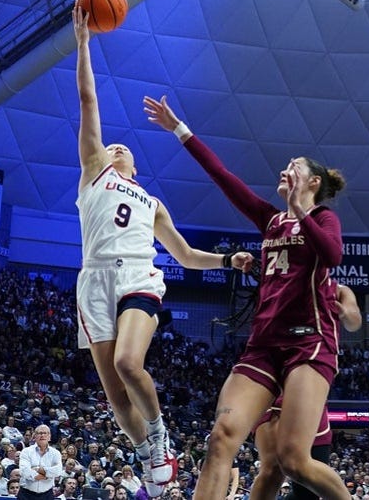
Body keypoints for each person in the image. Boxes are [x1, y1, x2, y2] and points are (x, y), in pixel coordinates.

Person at [72, 9, 254, 498]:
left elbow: (186, 255)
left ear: (134, 165)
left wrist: (226, 261)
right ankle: (148, 455)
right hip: (93, 280)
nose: (115, 147)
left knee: (129, 365)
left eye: (123, 148)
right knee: (115, 395)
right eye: (111, 146)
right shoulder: (94, 173)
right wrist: (83, 43)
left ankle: (159, 437)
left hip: (138, 277)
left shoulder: (152, 202)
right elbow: (88, 99)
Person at [143, 95, 350, 500]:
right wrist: (178, 129)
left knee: (293, 460)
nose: (284, 170)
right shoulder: (269, 220)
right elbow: (222, 176)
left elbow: (333, 256)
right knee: (221, 438)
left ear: (313, 183)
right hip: (263, 344)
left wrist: (300, 211)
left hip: (309, 343)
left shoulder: (324, 218)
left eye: (294, 167)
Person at [247, 285, 362, 500]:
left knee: (307, 491)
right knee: (273, 469)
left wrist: (344, 312)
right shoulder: (280, 281)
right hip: (274, 380)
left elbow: (355, 321)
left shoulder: (338, 290)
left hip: (310, 386)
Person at [18, 426, 61, 500]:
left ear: (49, 437)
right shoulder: (26, 451)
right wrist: (46, 475)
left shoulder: (56, 453)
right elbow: (24, 471)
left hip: (47, 495)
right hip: (26, 495)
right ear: (35, 436)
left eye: (45, 433)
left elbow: (57, 471)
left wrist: (38, 469)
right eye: (40, 433)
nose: (42, 435)